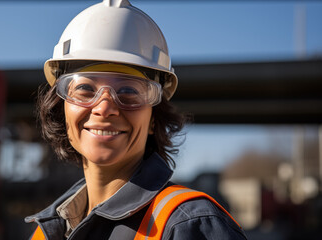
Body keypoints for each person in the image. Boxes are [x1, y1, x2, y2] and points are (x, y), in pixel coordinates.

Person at [26, 0, 247, 239]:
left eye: (129, 92)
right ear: (63, 108)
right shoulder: (46, 232)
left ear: (154, 119)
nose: (104, 107)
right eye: (85, 88)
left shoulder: (189, 226)